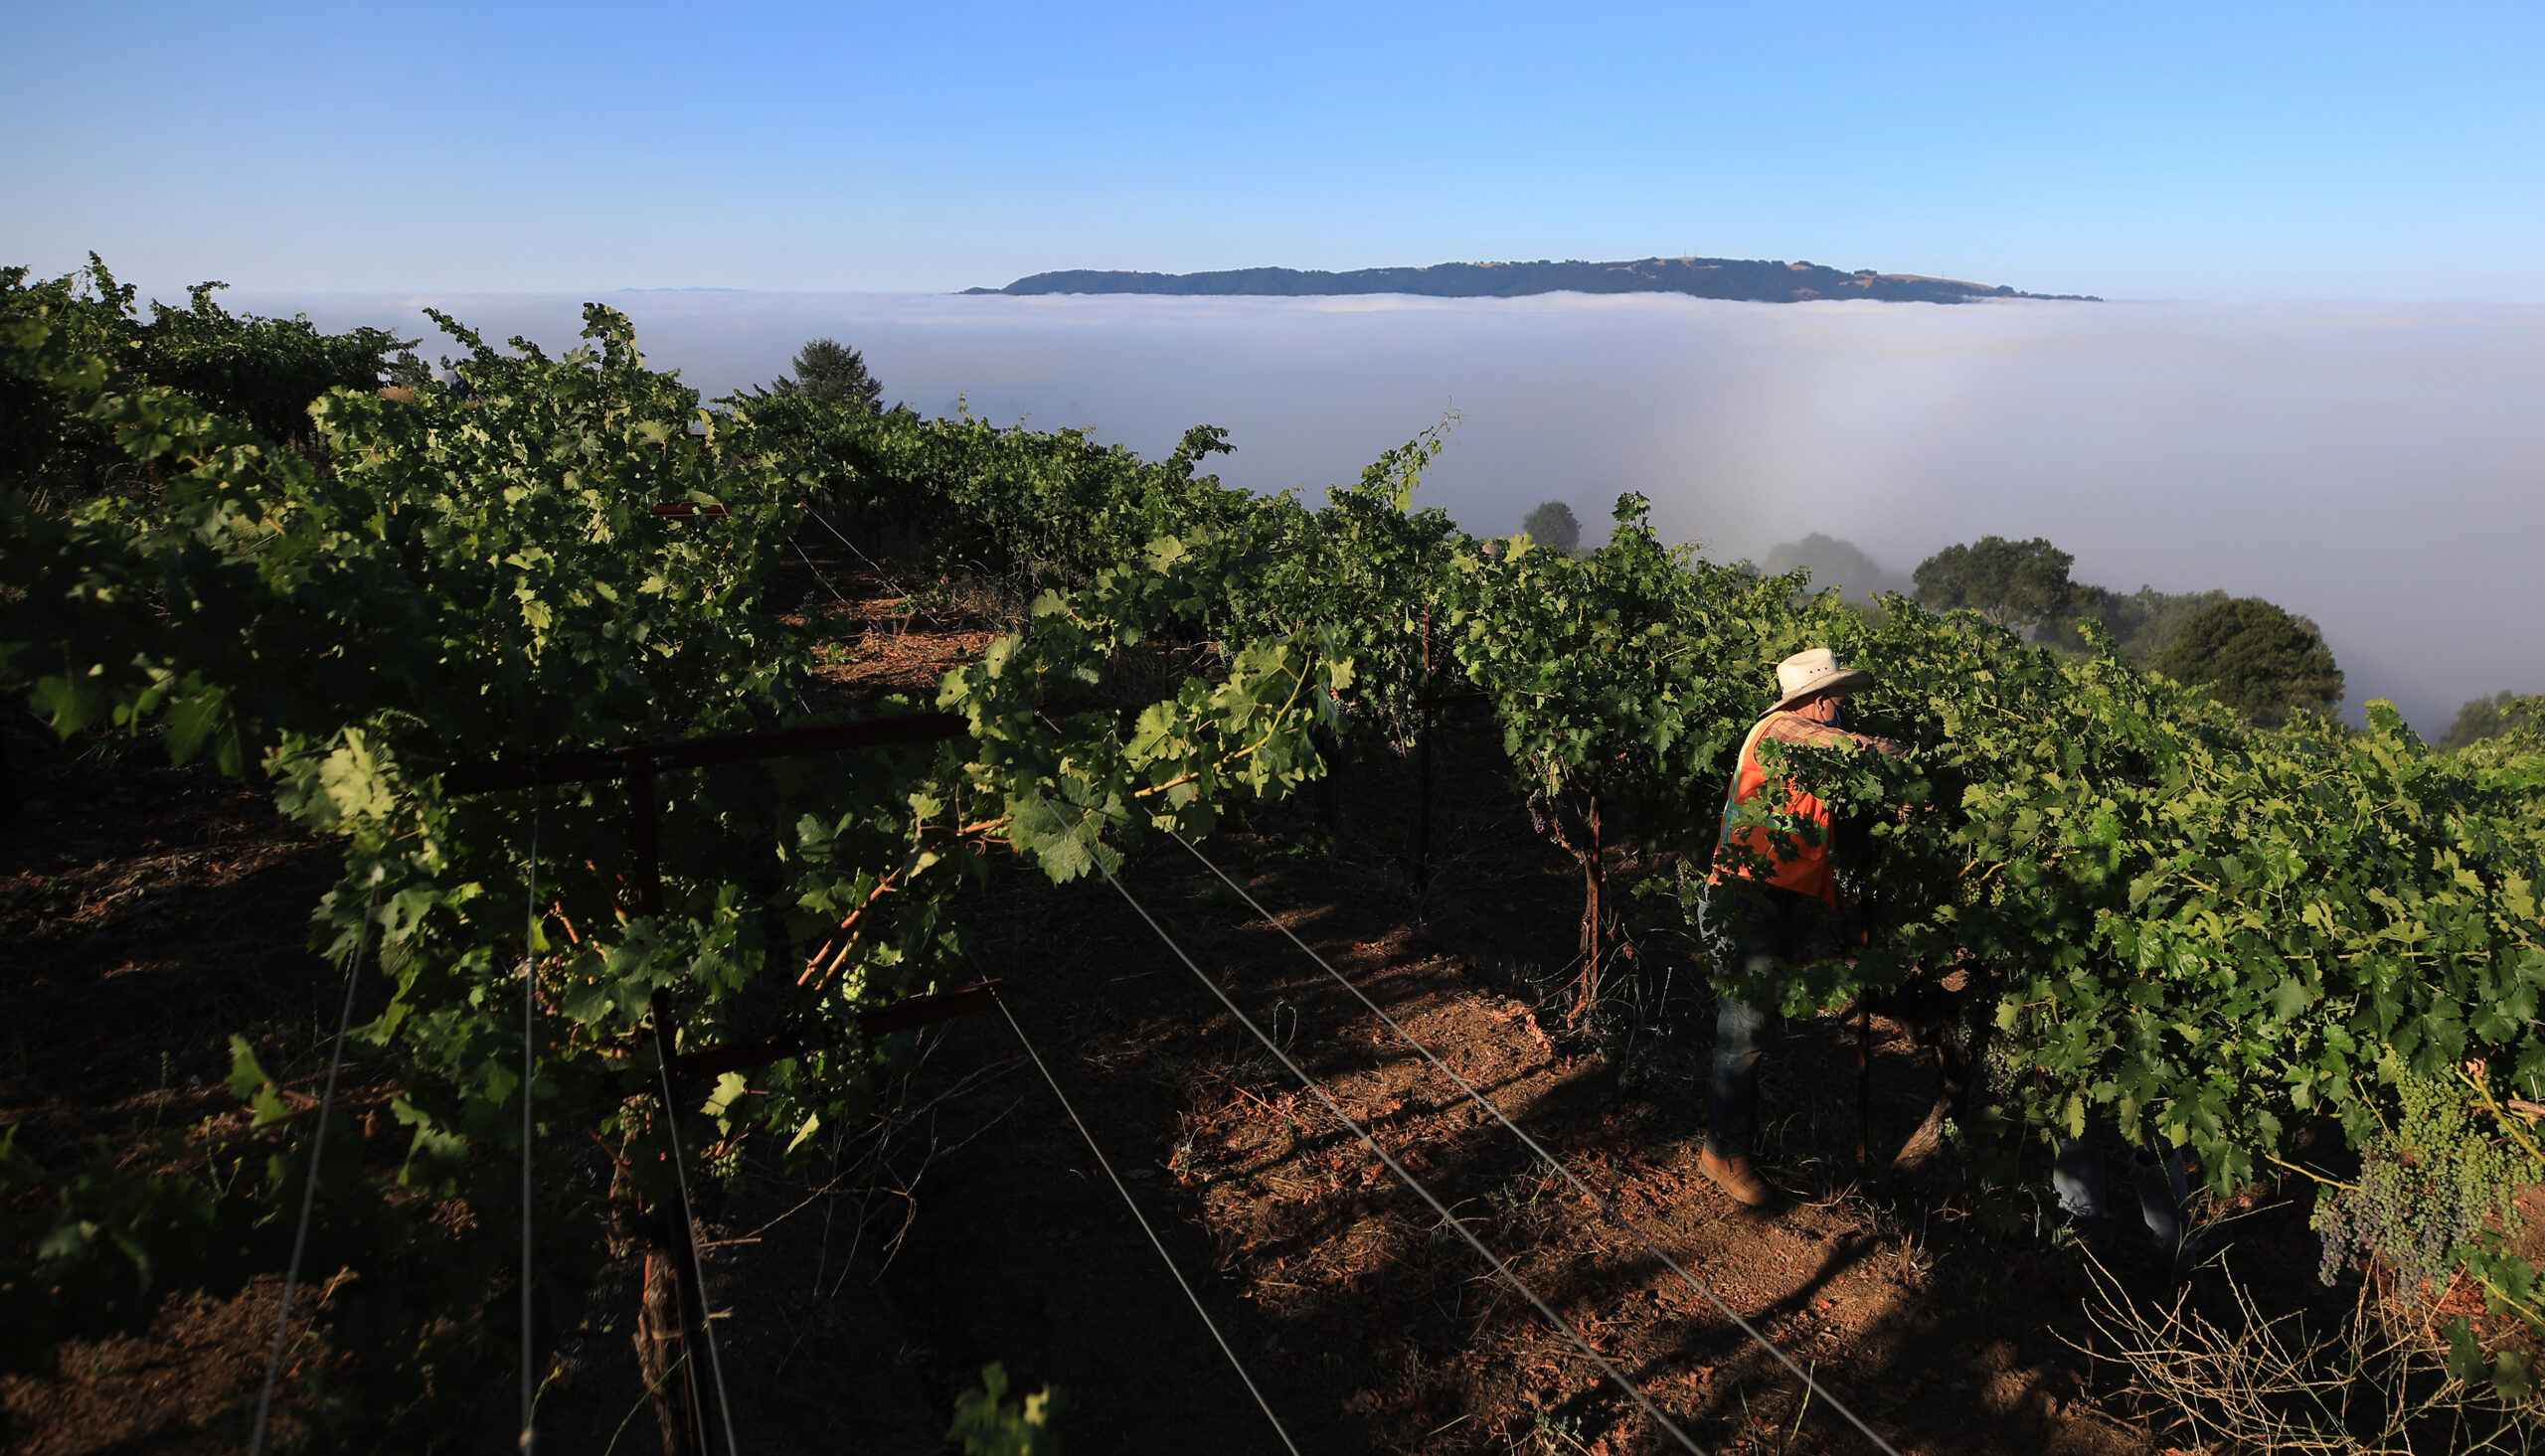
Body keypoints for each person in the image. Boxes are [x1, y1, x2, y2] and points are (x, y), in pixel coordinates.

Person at [1699, 647, 1903, 1207]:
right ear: (1816, 701)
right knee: (1742, 1035)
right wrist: (1914, 763)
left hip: (1770, 902)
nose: (1844, 708)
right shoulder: (1784, 730)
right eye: (1838, 696)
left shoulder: (1808, 750)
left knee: (1754, 1031)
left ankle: (1731, 1143)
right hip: (1743, 901)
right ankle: (1724, 1153)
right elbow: (1860, 751)